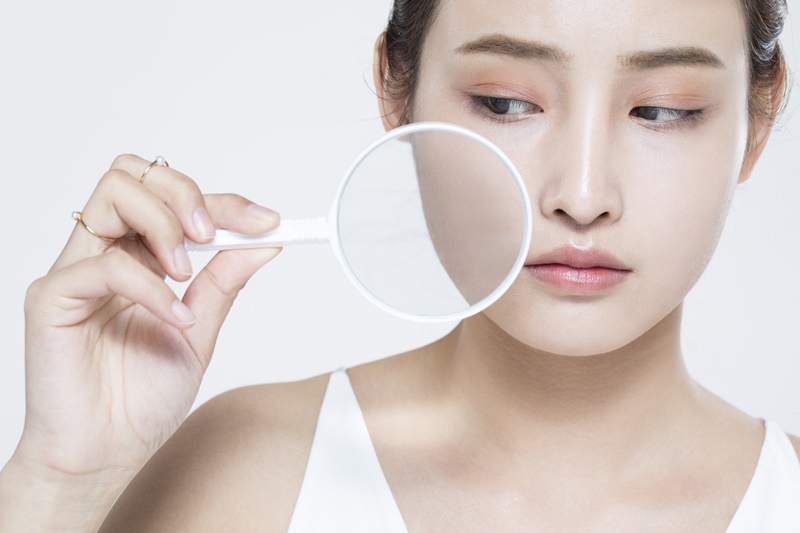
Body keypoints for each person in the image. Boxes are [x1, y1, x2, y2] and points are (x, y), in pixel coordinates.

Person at [0, 0, 797, 530]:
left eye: (663, 109)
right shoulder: (241, 478)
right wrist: (63, 484)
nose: (582, 195)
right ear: (396, 92)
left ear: (757, 121)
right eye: (506, 103)